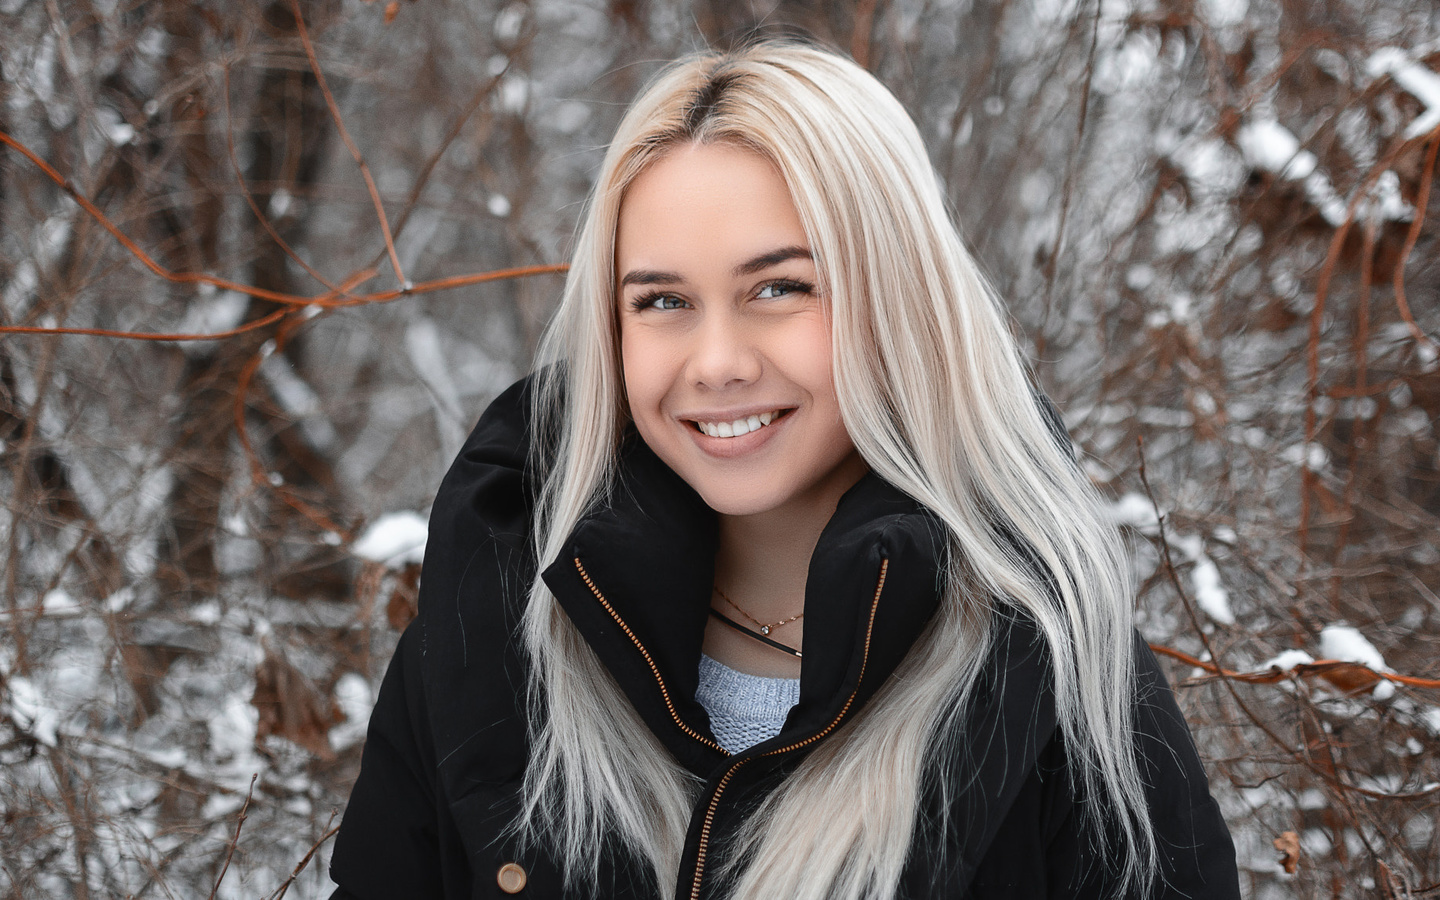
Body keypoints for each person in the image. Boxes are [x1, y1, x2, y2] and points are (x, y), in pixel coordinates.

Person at [328, 41, 1240, 900]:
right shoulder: (495, 608)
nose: (716, 361)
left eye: (780, 288)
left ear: (898, 298)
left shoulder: (1044, 658)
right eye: (663, 301)